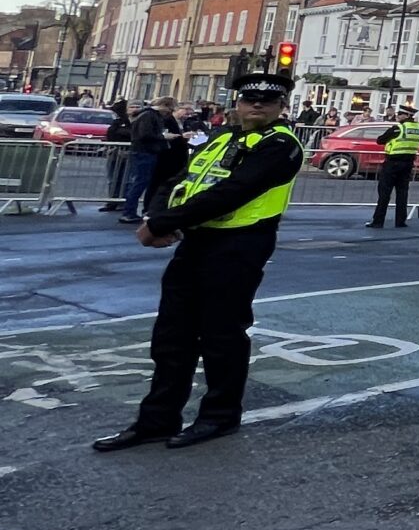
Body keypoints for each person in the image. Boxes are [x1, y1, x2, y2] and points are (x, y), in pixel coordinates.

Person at [92, 67, 305, 451]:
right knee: (171, 336)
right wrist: (156, 218)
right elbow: (179, 179)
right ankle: (157, 419)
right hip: (196, 242)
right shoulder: (222, 138)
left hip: (240, 246)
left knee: (222, 334)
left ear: (280, 106)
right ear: (236, 103)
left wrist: (161, 223)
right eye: (249, 98)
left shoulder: (281, 144)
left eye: (268, 100)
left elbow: (233, 192)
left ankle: (219, 416)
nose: (257, 104)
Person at [121, 95, 179, 224]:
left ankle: (129, 211)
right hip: (144, 152)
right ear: (164, 106)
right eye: (170, 109)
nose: (169, 113)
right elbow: (145, 134)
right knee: (139, 183)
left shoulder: (147, 115)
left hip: (144, 151)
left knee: (139, 182)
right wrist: (164, 137)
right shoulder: (149, 116)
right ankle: (128, 212)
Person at [371, 105, 419, 229]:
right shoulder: (418, 128)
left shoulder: (398, 128)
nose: (397, 116)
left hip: (392, 163)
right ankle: (400, 221)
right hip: (408, 164)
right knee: (402, 193)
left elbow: (380, 140)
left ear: (407, 115)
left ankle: (378, 221)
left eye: (400, 114)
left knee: (384, 193)